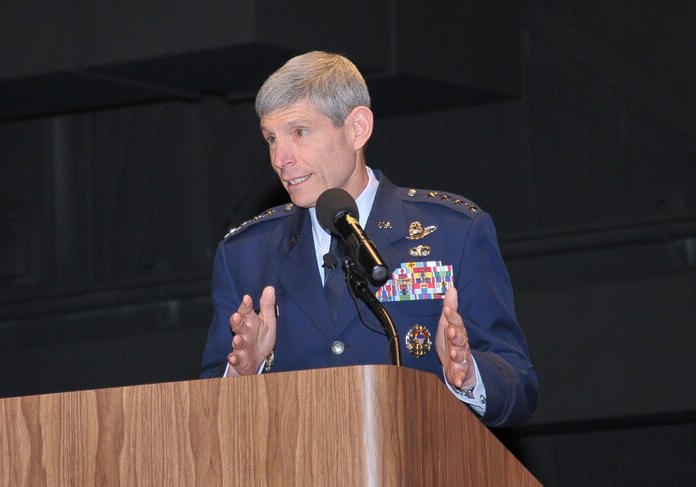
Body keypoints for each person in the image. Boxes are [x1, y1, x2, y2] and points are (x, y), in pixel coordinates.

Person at [200, 51, 538, 427]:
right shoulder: (245, 256)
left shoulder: (454, 233)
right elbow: (206, 415)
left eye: (299, 132)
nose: (281, 158)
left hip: (420, 476)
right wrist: (242, 377)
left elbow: (518, 385)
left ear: (357, 128)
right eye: (271, 139)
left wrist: (469, 373)